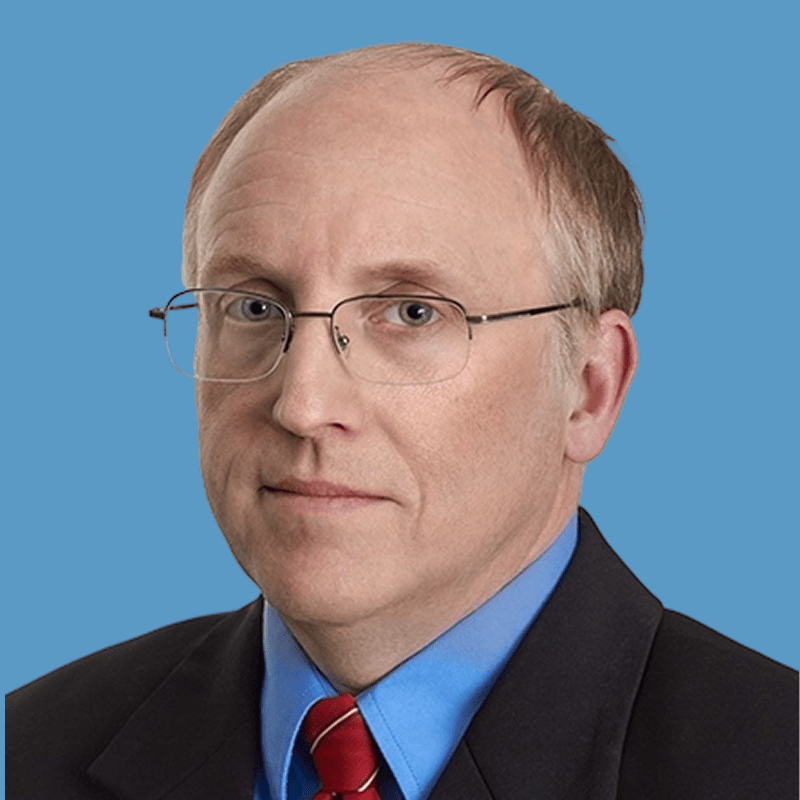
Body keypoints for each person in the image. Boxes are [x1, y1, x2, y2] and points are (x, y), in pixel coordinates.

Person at [6, 42, 797, 800]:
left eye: (412, 313)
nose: (303, 405)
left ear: (590, 388)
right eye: (253, 307)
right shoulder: (28, 750)